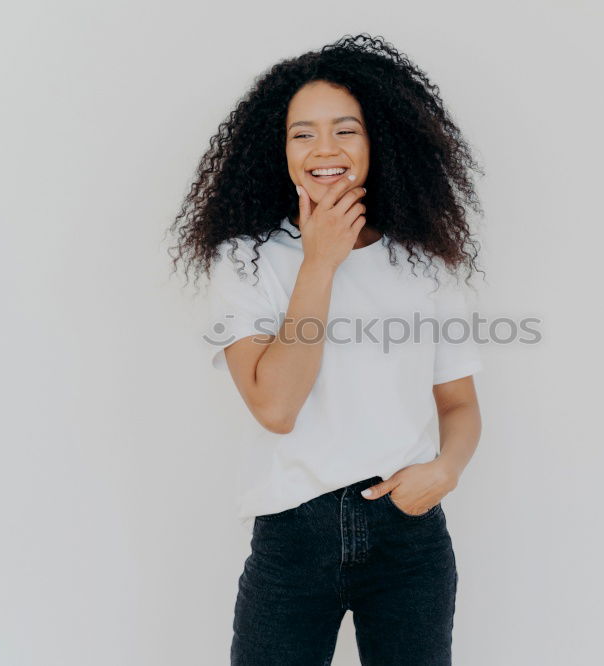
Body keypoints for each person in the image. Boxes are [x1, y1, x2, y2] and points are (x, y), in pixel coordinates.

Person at [168, 33, 486, 666]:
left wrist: (444, 470)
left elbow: (458, 404)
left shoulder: (421, 261)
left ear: (379, 141)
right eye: (302, 134)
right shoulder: (247, 258)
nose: (325, 150)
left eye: (347, 130)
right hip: (293, 533)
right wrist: (320, 262)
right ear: (278, 147)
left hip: (409, 536)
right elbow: (276, 406)